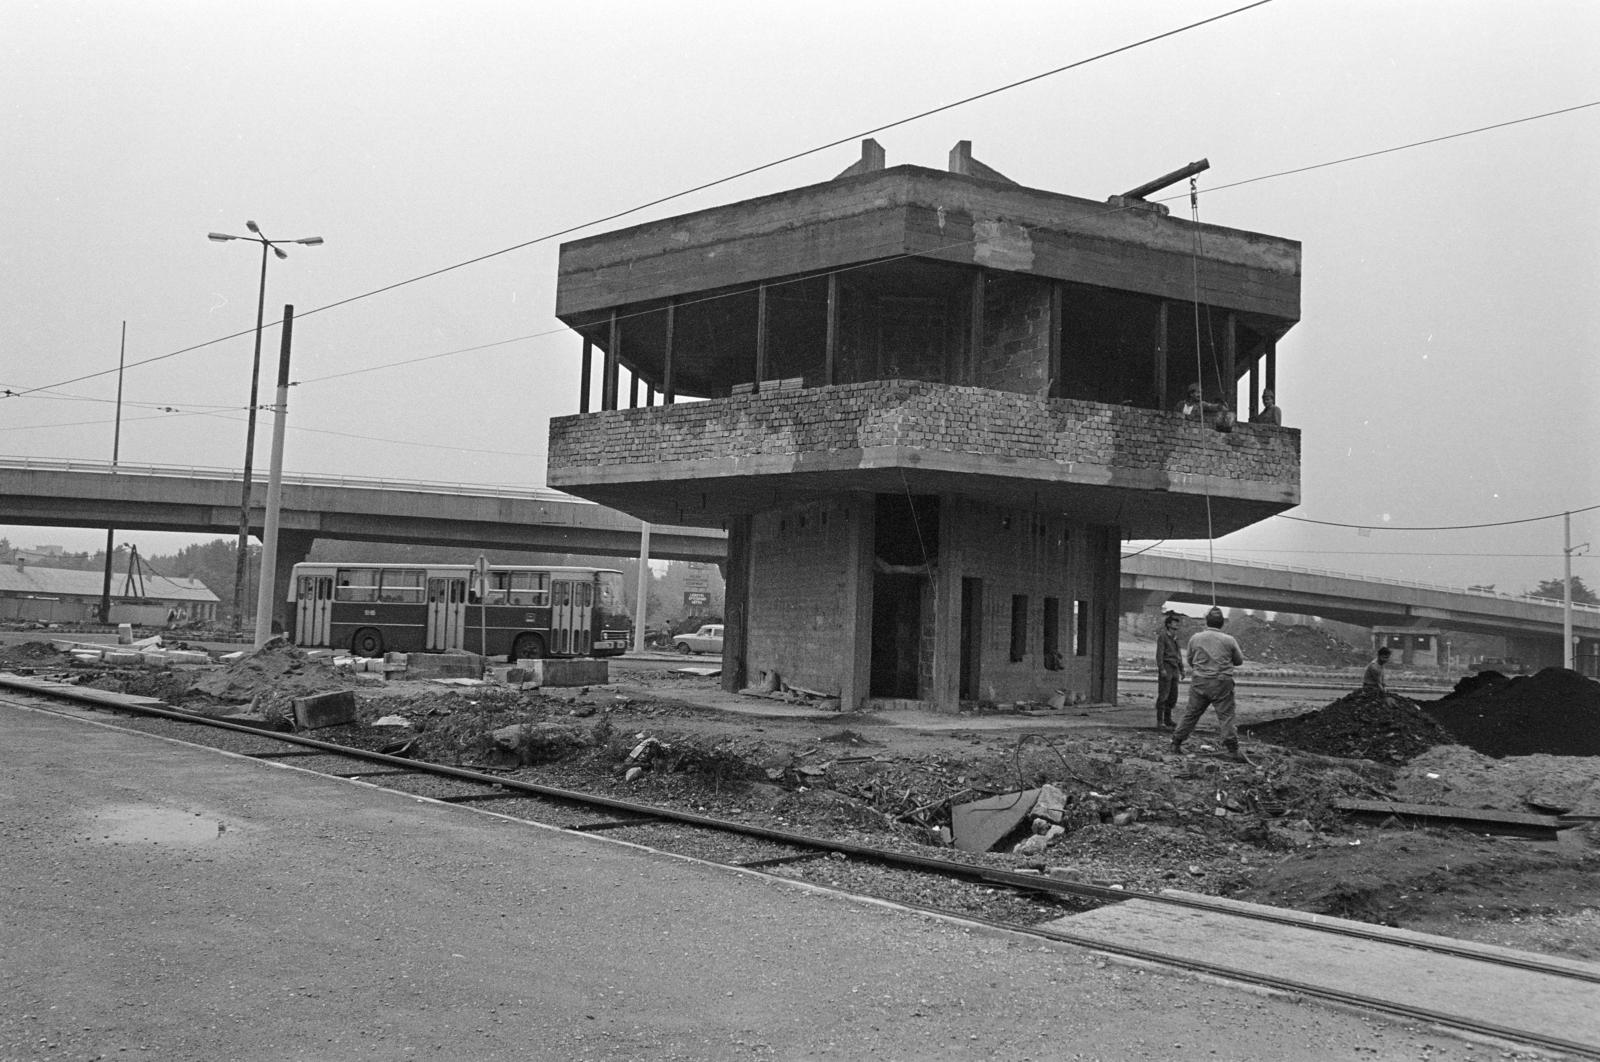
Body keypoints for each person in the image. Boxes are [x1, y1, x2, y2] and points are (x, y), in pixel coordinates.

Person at [1172, 605, 1246, 759]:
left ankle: (1176, 742)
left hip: (1199, 681)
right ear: (1222, 623)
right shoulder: (1229, 640)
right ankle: (1232, 750)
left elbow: (1190, 660)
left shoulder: (1195, 638)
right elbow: (1239, 661)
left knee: (1191, 713)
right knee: (1226, 716)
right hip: (1221, 682)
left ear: (1206, 621)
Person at [1154, 611, 1183, 729]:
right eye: (1174, 623)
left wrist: (1182, 669)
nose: (1176, 625)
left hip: (1175, 668)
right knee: (1163, 695)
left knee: (1172, 696)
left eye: (1177, 623)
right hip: (1166, 667)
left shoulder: (1175, 638)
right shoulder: (1163, 637)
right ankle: (1160, 721)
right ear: (1168, 624)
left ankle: (1168, 719)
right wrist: (1161, 668)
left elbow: (1178, 655)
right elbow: (1159, 654)